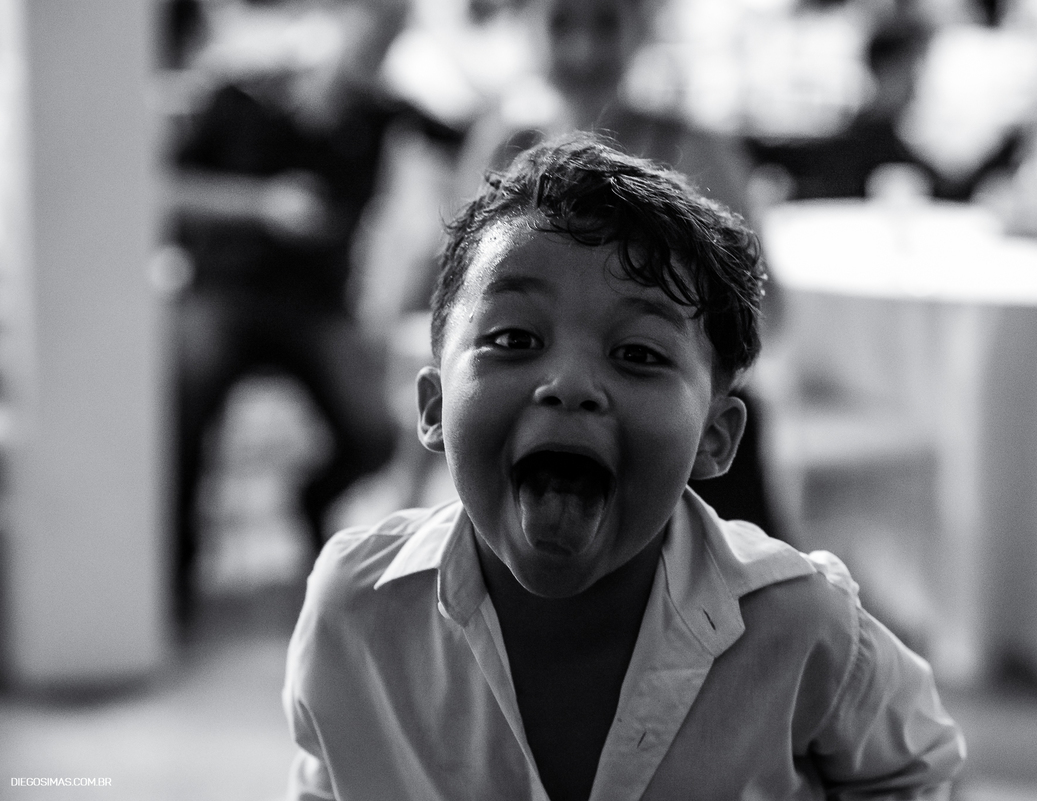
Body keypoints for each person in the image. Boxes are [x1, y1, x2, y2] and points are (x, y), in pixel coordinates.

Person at [282, 135, 965, 800]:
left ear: (715, 437)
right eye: (513, 338)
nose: (570, 383)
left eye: (638, 353)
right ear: (431, 407)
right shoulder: (354, 611)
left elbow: (915, 766)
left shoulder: (803, 624)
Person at [167, 0, 451, 624]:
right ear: (338, 17)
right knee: (182, 392)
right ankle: (173, 577)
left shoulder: (384, 114)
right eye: (373, 22)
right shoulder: (240, 92)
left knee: (378, 433)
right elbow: (168, 187)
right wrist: (260, 204)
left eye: (394, 32)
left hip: (318, 310)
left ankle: (310, 500)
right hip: (224, 293)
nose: (379, 43)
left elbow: (478, 132)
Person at [454, 0, 779, 536]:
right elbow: (462, 307)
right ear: (528, 29)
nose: (584, 49)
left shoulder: (695, 149)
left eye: (605, 22)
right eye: (562, 23)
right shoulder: (500, 147)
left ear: (641, 28)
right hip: (535, 426)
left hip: (675, 430)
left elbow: (765, 309)